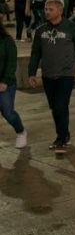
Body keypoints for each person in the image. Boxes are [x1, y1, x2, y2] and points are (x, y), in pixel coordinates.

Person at [28, 0, 75, 154]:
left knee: (60, 106)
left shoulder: (72, 28)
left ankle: (61, 138)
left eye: (50, 9)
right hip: (47, 75)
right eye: (46, 9)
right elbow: (35, 53)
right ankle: (64, 133)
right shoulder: (40, 31)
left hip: (66, 73)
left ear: (60, 11)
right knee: (54, 108)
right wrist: (31, 73)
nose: (47, 12)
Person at [0, 20, 26, 149]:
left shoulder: (7, 41)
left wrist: (5, 80)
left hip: (5, 84)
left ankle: (21, 132)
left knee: (8, 112)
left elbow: (11, 63)